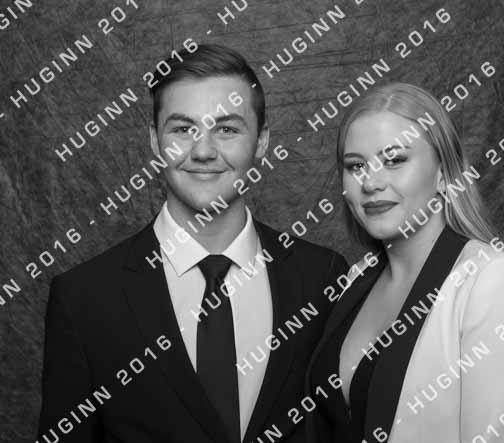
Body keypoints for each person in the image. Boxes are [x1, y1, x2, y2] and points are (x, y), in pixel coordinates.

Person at [37, 44, 348, 443]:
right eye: (183, 129)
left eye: (227, 129)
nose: (203, 151)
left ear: (262, 141)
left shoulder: (323, 278)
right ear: (155, 141)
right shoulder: (83, 299)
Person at [306, 83, 504, 443]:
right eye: (356, 166)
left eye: (395, 160)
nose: (371, 182)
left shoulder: (497, 281)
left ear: (443, 174)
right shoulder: (356, 280)